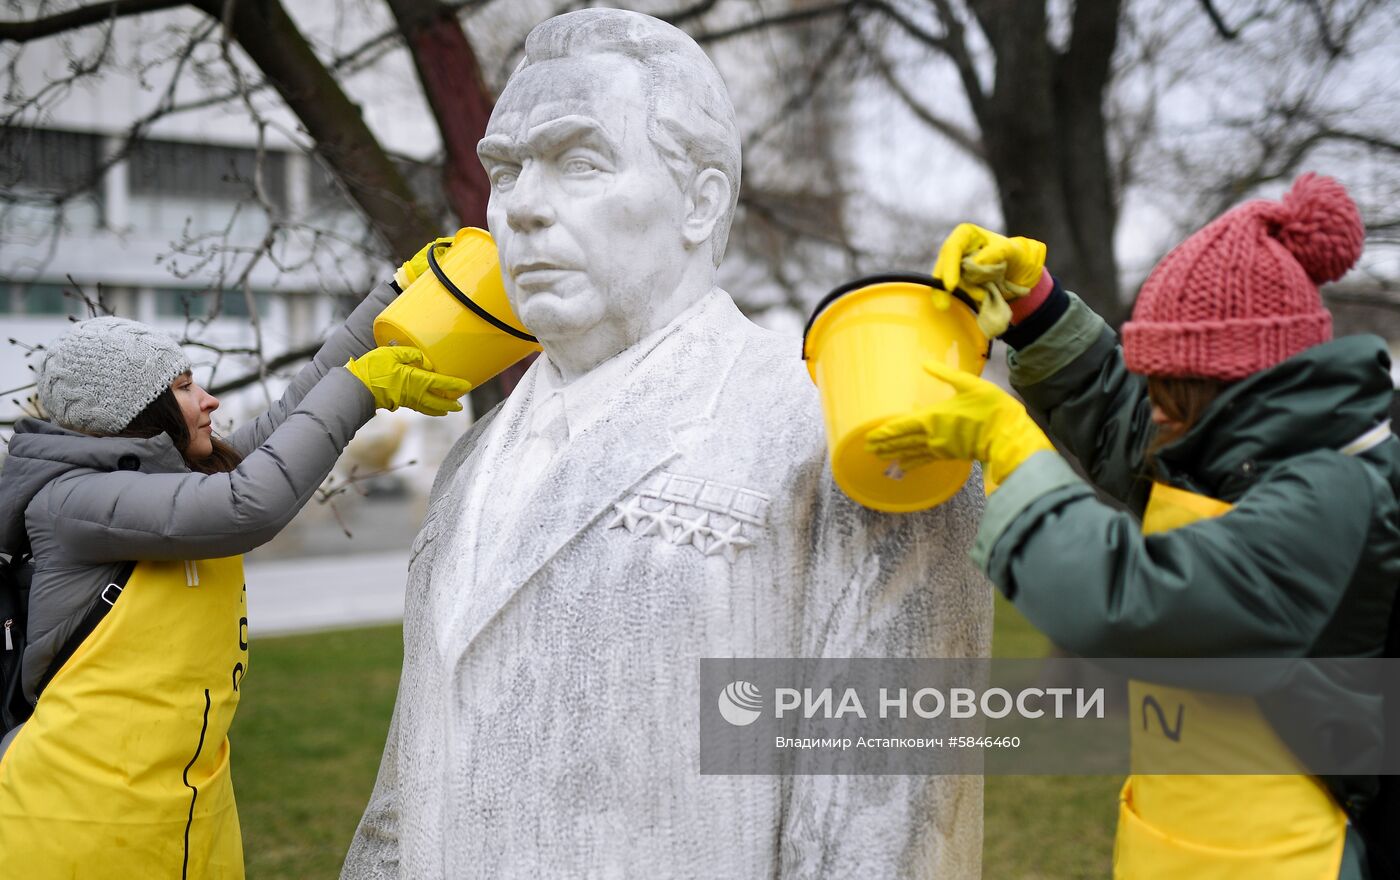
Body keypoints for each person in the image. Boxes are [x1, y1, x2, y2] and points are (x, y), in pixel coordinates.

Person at [342, 9, 991, 879]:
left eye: (579, 162)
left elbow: (887, 828)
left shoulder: (853, 435)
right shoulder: (472, 462)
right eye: (506, 171)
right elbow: (406, 789)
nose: (522, 207)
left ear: (700, 201)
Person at [868, 173, 1399, 878]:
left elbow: (1134, 602)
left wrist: (1013, 452)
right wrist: (1035, 309)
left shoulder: (1333, 491)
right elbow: (1123, 422)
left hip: (1291, 859)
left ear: (1226, 384)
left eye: (1167, 390)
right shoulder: (1246, 453)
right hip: (1183, 843)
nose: (1152, 410)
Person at [0, 249, 472, 878]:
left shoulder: (180, 476)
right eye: (183, 387)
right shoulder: (71, 503)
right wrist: (363, 389)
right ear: (133, 411)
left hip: (195, 809)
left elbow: (293, 413)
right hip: (77, 819)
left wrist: (396, 294)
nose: (210, 400)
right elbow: (248, 507)